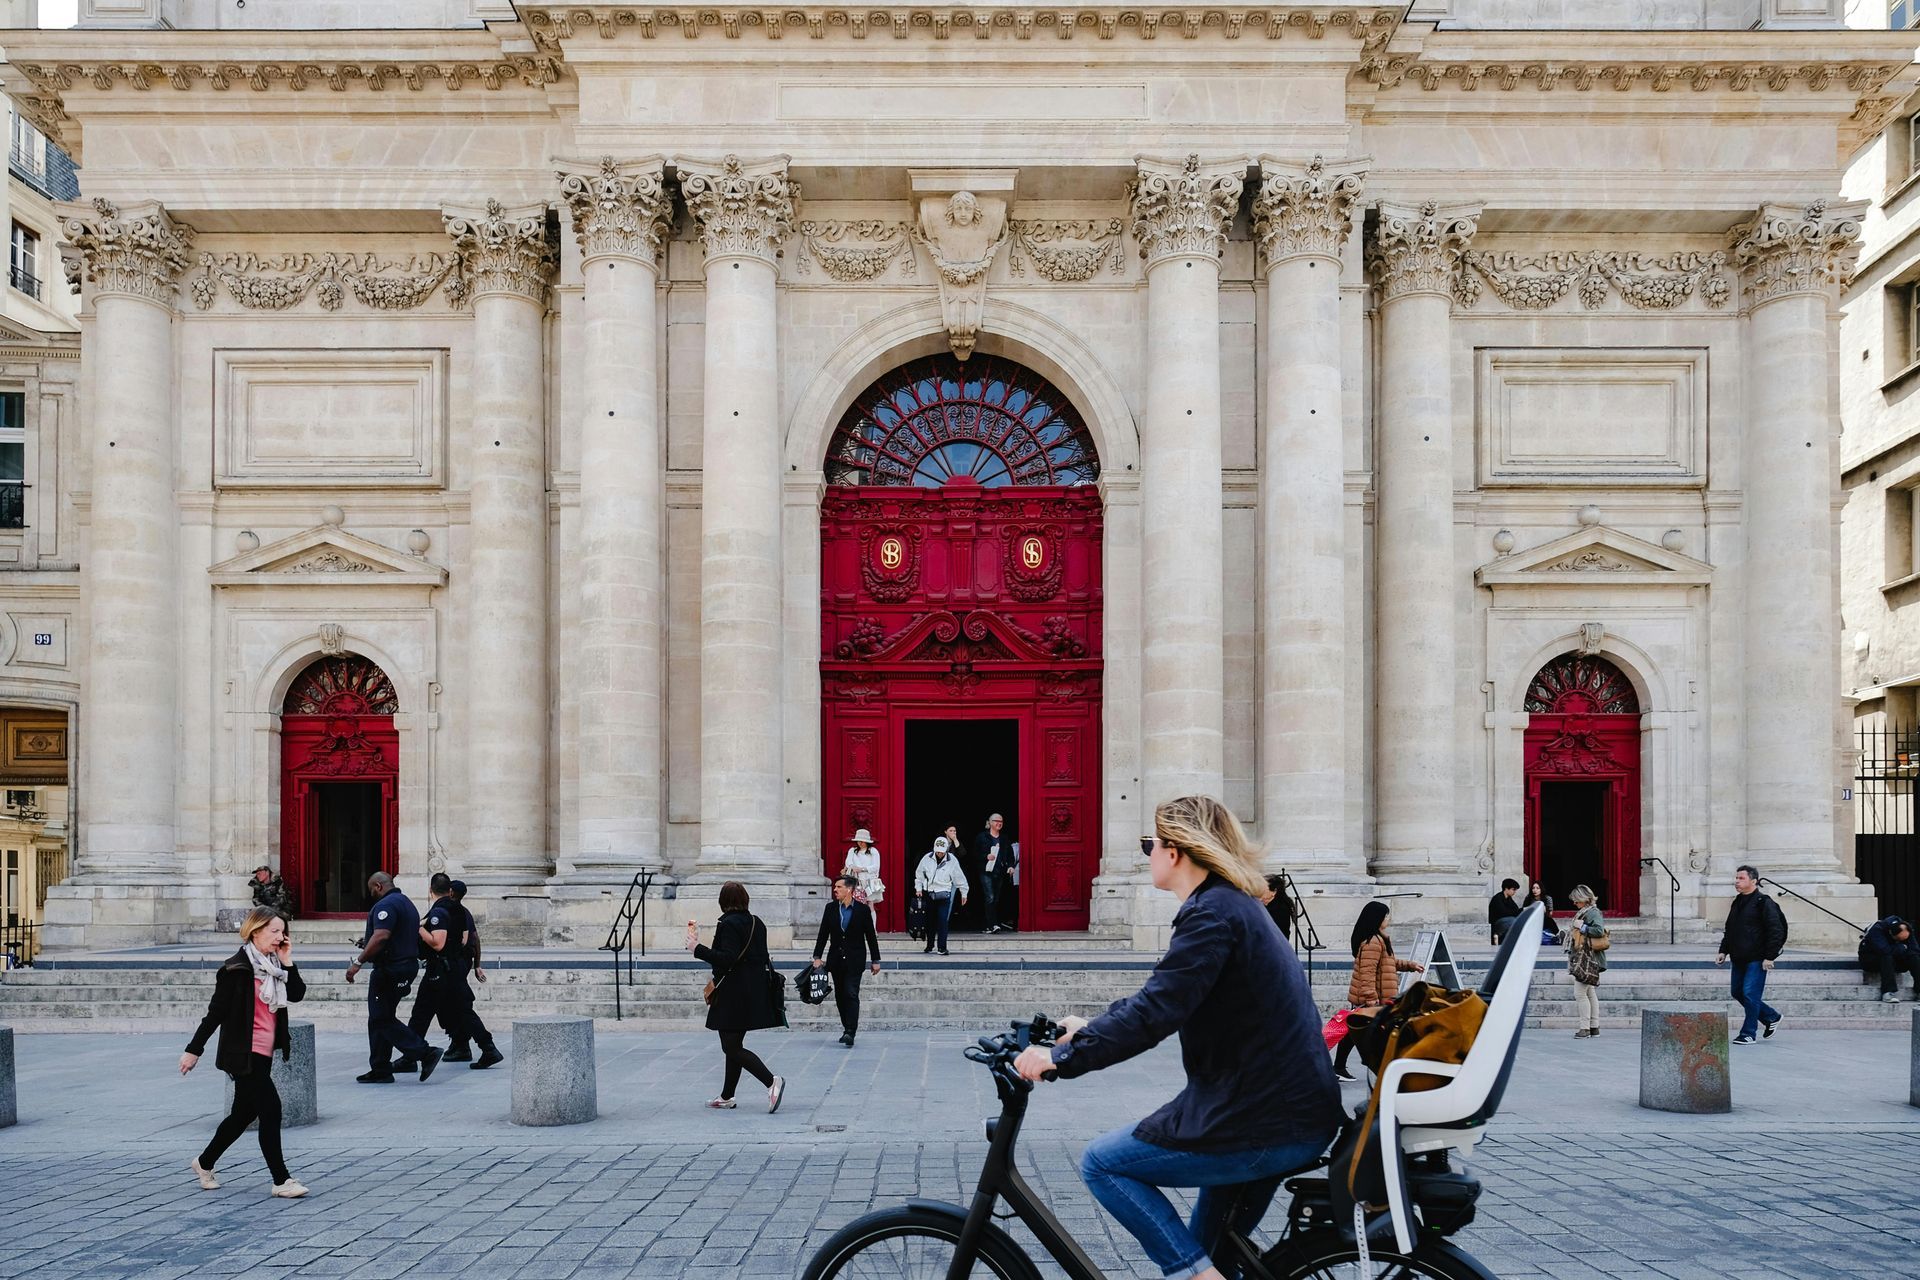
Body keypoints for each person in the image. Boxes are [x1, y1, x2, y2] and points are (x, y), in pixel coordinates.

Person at [1012, 796, 1341, 1280]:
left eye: (1150, 843)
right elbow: (1164, 993)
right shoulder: (1229, 907)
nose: (1147, 853)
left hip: (1262, 1118)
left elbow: (1155, 1012)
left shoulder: (1212, 915)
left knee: (1103, 1164)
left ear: (1176, 852)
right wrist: (1090, 1028)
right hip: (1281, 1110)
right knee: (1211, 1250)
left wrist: (1062, 1057)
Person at [179, 906, 309, 1199]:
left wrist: (288, 961)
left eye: (282, 931)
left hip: (264, 1053)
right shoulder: (235, 970)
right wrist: (193, 1051)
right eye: (274, 931)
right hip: (242, 1053)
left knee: (241, 1115)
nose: (280, 936)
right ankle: (281, 1180)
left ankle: (204, 1162)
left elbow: (298, 993)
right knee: (271, 1109)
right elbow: (214, 1015)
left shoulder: (276, 966)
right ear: (255, 930)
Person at [687, 881, 785, 1112]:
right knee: (733, 1043)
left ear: (724, 901)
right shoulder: (756, 922)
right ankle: (727, 1096)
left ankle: (772, 1081)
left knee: (731, 1046)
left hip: (734, 992)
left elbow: (727, 958)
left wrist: (696, 948)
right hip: (753, 989)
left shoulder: (728, 923)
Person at [397, 874, 503, 1072]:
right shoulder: (459, 910)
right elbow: (466, 939)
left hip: (440, 969)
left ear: (431, 890)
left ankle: (409, 1057)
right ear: (450, 890)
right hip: (454, 967)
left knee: (421, 1013)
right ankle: (488, 1048)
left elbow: (437, 943)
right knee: (463, 1011)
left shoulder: (440, 911)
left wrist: (418, 929)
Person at [345, 871, 442, 1083]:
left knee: (381, 1018)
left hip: (391, 969)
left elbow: (382, 936)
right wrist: (369, 942)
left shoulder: (385, 905)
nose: (370, 893)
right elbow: (393, 935)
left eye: (371, 888)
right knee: (380, 1017)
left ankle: (424, 1053)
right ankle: (381, 1068)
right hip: (405, 966)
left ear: (378, 886)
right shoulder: (406, 903)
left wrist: (358, 962)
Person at [1333, 901, 1424, 1082]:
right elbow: (1367, 972)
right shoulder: (1373, 942)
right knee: (1370, 1034)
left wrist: (1410, 965)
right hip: (1374, 997)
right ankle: (1374, 1069)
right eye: (1386, 916)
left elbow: (1389, 963)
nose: (1388, 919)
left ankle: (1339, 1067)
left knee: (1355, 1032)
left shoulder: (1378, 939)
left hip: (1377, 995)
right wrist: (1371, 998)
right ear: (1377, 918)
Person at [1715, 863, 1788, 1045]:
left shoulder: (1764, 902)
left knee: (1750, 994)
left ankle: (1748, 1033)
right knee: (1737, 992)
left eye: (1741, 878)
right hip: (1739, 957)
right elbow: (1730, 929)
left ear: (1753, 881)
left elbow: (1776, 930)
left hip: (1757, 957)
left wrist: (1770, 956)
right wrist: (1723, 950)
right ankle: (1771, 1017)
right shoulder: (1737, 902)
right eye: (1736, 878)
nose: (1737, 882)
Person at [812, 874, 882, 1047]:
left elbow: (871, 937)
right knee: (840, 995)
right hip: (835, 959)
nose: (835, 890)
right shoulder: (830, 909)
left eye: (838, 887)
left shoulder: (862, 910)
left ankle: (851, 1031)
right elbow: (823, 934)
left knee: (851, 992)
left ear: (849, 889)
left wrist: (876, 959)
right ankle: (846, 1027)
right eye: (835, 887)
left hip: (855, 959)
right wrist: (817, 957)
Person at [439, 879, 498, 1062]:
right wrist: (477, 965)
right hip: (461, 964)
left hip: (453, 966)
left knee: (458, 1006)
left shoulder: (449, 911)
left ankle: (478, 1046)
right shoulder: (464, 912)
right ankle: (460, 1043)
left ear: (450, 892)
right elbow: (475, 939)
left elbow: (471, 939)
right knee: (452, 1005)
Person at [1564, 884, 1607, 1038]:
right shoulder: (1586, 912)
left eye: (1577, 901)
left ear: (1584, 899)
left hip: (1587, 959)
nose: (1575, 904)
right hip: (1585, 956)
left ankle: (1585, 1028)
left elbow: (1598, 930)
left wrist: (1581, 928)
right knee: (1590, 992)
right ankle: (1594, 1026)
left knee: (1580, 993)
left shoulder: (1592, 913)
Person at [913, 836, 969, 955]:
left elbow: (959, 877)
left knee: (943, 920)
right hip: (929, 893)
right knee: (930, 921)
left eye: (942, 851)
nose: (939, 854)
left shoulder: (952, 860)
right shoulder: (926, 858)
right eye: (937, 851)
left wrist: (964, 892)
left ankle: (942, 947)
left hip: (944, 894)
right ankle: (930, 945)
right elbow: (919, 875)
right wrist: (919, 888)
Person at [973, 814, 1017, 934]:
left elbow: (1010, 855)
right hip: (985, 871)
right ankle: (991, 925)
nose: (999, 823)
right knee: (990, 897)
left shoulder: (1004, 839)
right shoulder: (982, 837)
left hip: (999, 871)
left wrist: (1010, 866)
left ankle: (989, 924)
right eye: (996, 821)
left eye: (1001, 821)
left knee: (995, 899)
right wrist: (985, 856)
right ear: (990, 822)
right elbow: (975, 854)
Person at [1859, 916, 1920, 1002]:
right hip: (1871, 961)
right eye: (1899, 939)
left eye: (1904, 940)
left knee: (1914, 957)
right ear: (1891, 933)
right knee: (1887, 956)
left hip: (1893, 960)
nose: (1902, 941)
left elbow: (1915, 949)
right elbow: (1884, 950)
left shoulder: (1906, 930)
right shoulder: (1877, 929)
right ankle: (1888, 992)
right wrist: (1901, 947)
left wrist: (1906, 950)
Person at [840, 829, 884, 910]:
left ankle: (871, 923)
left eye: (862, 841)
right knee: (855, 904)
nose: (860, 843)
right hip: (856, 880)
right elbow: (848, 862)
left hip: (869, 881)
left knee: (870, 904)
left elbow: (876, 866)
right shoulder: (852, 851)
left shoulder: (873, 851)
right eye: (858, 841)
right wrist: (852, 867)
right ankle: (857, 922)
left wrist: (862, 869)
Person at [1487, 878, 1521, 944]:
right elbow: (1504, 913)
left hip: (1504, 922)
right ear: (1506, 889)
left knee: (1516, 921)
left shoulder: (1509, 899)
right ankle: (1497, 934)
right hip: (1496, 924)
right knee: (1513, 920)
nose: (1514, 892)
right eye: (1513, 889)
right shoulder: (1497, 898)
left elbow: (1516, 910)